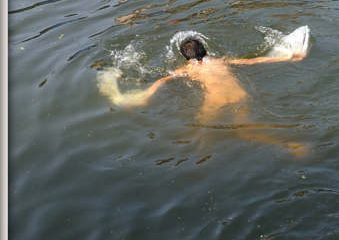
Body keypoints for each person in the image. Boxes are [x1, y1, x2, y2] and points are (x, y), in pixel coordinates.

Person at [99, 35, 308, 152]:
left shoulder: (189, 70)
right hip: (238, 95)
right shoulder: (221, 61)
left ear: (186, 59)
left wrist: (146, 95)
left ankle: (203, 164)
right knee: (246, 129)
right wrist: (288, 58)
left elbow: (163, 80)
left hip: (214, 101)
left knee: (201, 133)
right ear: (206, 52)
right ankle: (289, 144)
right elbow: (253, 61)